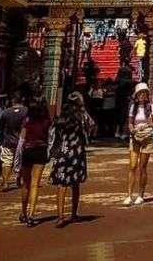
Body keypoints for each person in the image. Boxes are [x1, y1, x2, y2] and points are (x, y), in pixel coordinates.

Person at [50, 91, 96, 226]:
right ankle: (74, 214)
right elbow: (92, 125)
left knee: (61, 184)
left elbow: (54, 132)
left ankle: (60, 215)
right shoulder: (81, 115)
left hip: (64, 150)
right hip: (77, 150)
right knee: (75, 184)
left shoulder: (62, 116)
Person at [18, 95, 51, 226]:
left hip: (28, 151)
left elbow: (21, 140)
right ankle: (31, 214)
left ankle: (24, 212)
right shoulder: (46, 122)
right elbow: (50, 138)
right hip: (41, 150)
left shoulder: (27, 121)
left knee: (25, 183)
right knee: (35, 184)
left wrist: (17, 159)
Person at [125, 82, 153, 205]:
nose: (142, 95)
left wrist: (146, 125)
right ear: (137, 95)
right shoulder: (133, 107)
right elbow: (130, 123)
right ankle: (129, 195)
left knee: (142, 167)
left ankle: (140, 194)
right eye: (140, 93)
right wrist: (132, 129)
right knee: (132, 166)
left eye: (144, 93)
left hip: (147, 137)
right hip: (135, 137)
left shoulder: (151, 106)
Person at [0, 88, 29, 192]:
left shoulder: (6, 112)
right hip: (22, 141)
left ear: (12, 101)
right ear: (22, 99)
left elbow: (1, 128)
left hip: (8, 141)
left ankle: (5, 182)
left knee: (6, 161)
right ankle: (18, 179)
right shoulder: (27, 111)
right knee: (20, 161)